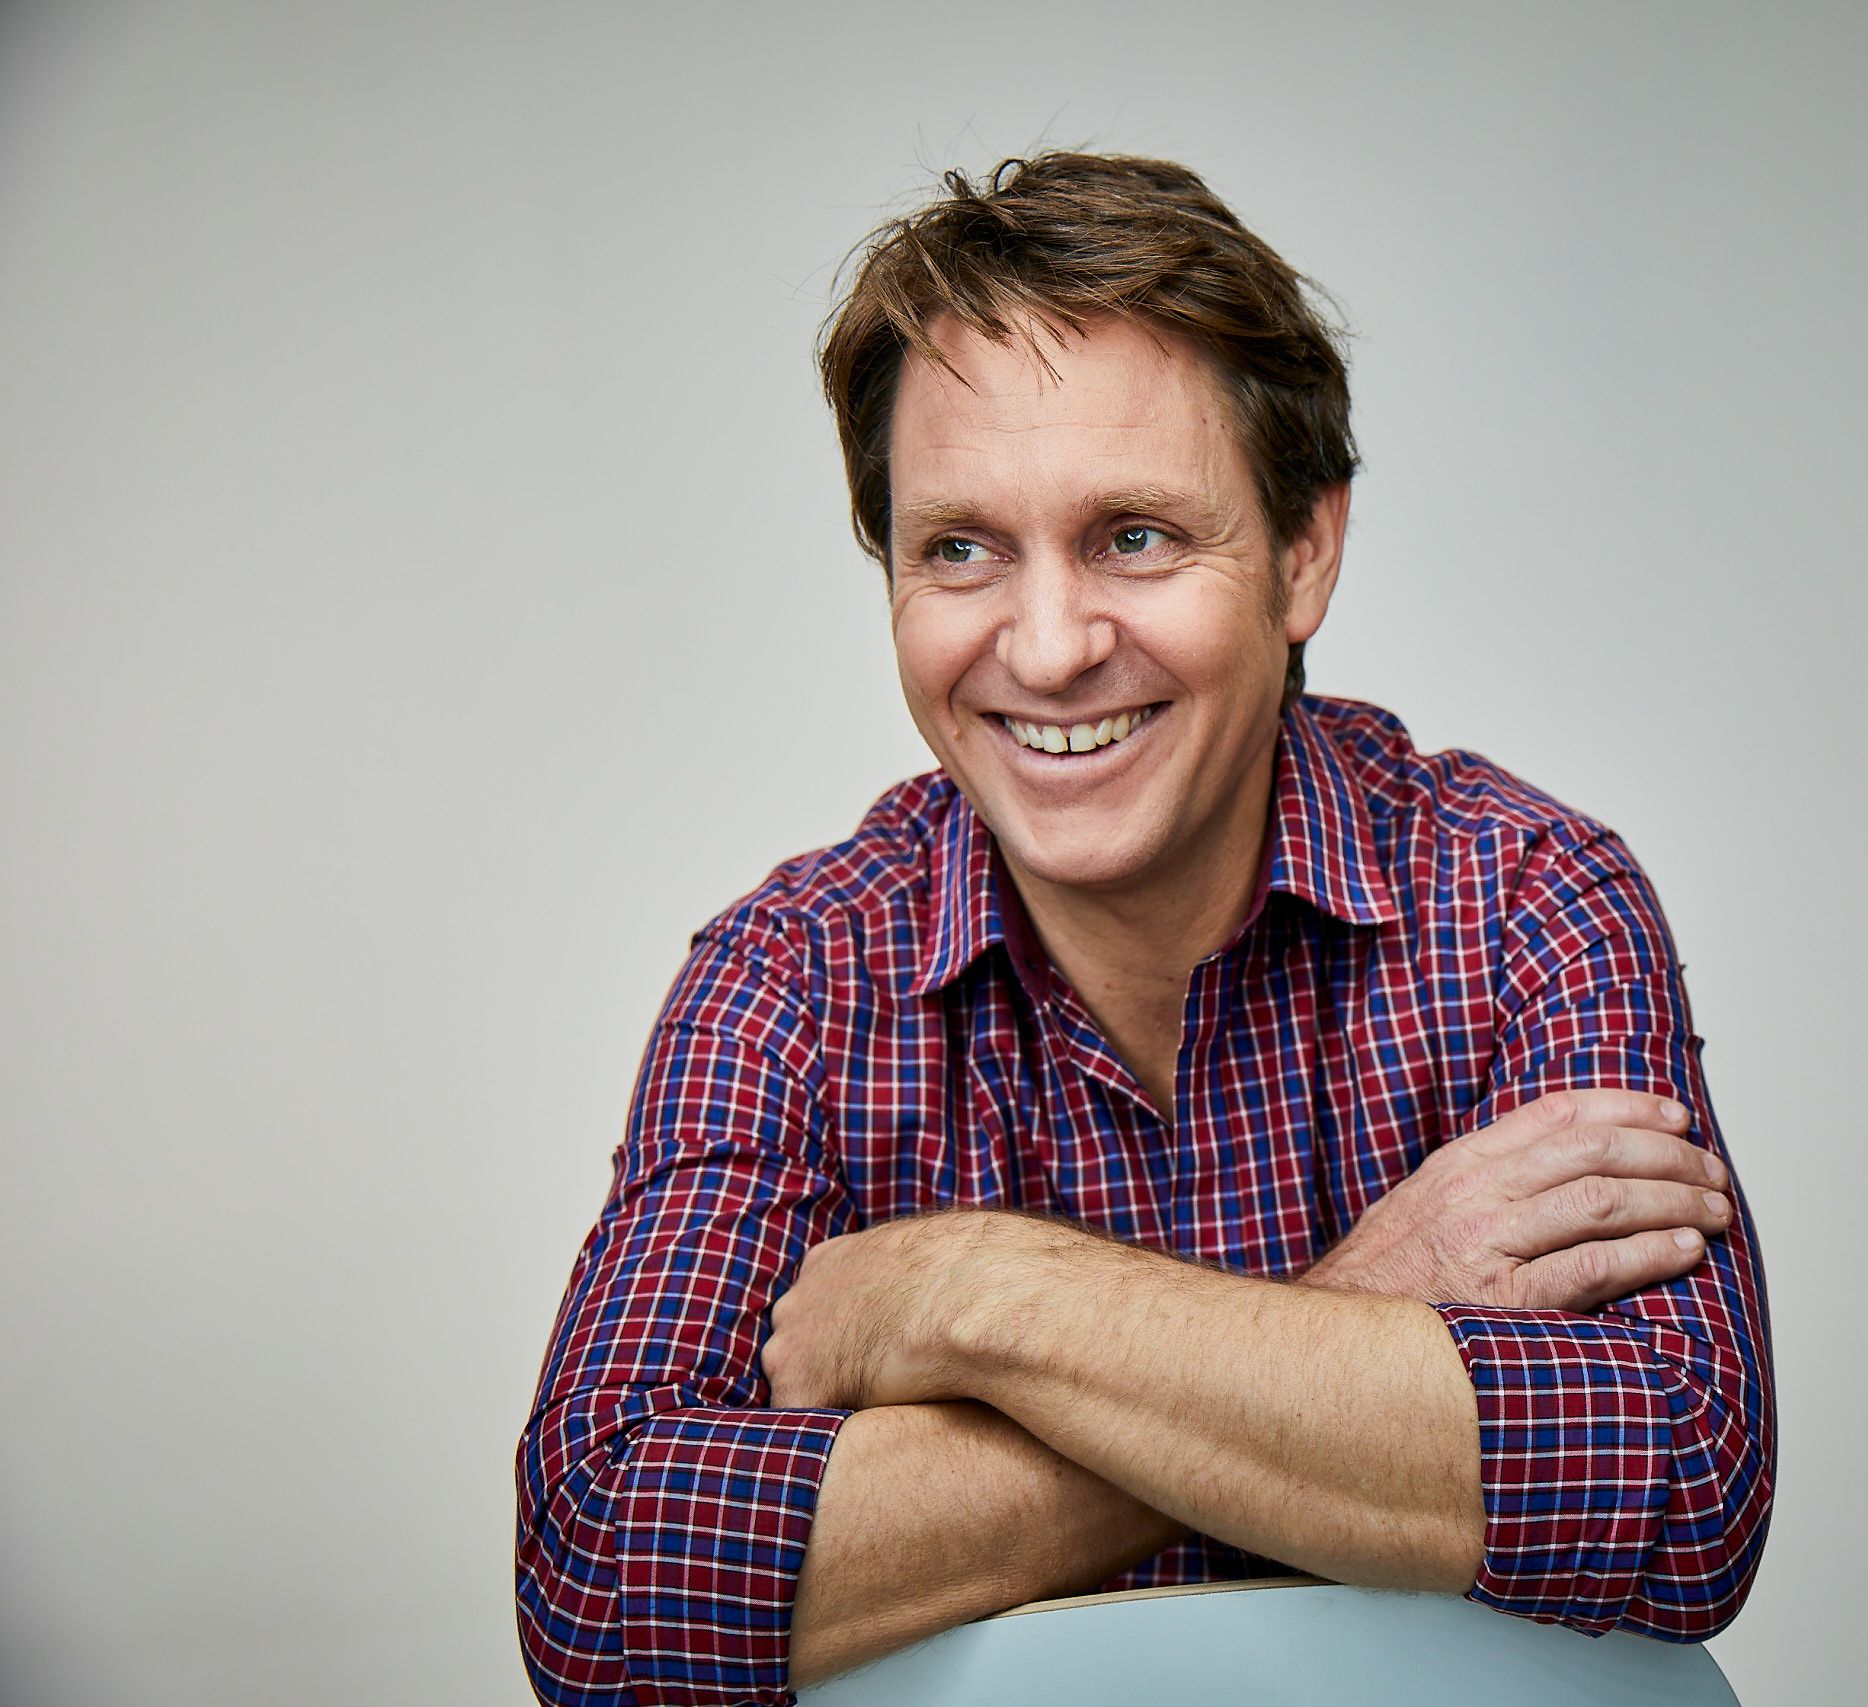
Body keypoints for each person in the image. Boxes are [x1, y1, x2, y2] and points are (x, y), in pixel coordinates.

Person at [515, 151, 1774, 1706]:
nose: (1046, 648)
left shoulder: (1524, 899)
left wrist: (963, 1295)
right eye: (960, 547)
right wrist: (1359, 1310)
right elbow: (606, 1585)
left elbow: (1672, 1481)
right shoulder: (785, 981)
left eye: (1134, 538)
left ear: (1304, 550)